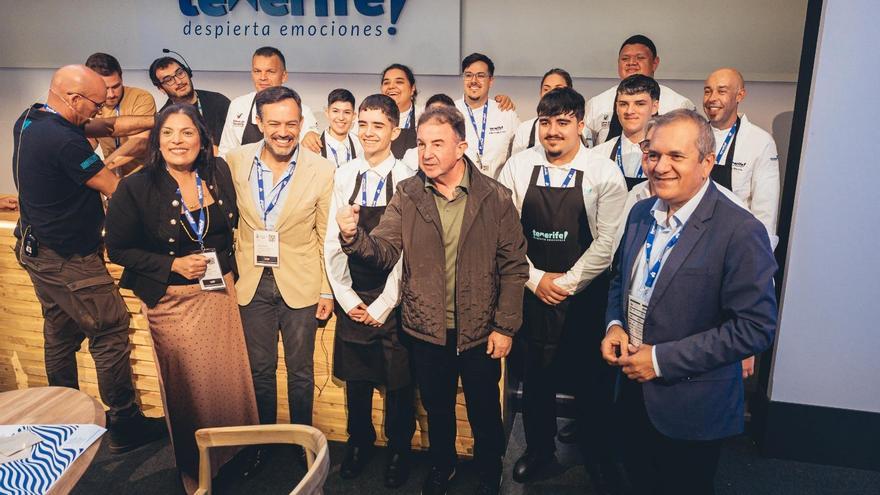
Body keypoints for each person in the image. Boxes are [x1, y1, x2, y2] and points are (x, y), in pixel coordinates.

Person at [336, 105, 529, 495]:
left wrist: (505, 326)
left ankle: (490, 467)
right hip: (426, 329)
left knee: (484, 410)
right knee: (438, 410)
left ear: (461, 147)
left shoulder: (495, 197)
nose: (426, 153)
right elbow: (386, 250)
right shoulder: (408, 194)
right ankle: (444, 465)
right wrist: (354, 238)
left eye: (437, 144)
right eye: (421, 144)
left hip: (479, 331)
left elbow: (514, 268)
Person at [601, 109, 777, 494]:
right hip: (632, 392)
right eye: (653, 155)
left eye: (676, 156)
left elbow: (754, 328)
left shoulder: (740, 231)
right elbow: (620, 279)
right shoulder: (639, 213)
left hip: (691, 406)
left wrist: (660, 360)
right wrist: (614, 324)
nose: (660, 166)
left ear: (707, 162)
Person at [105, 104, 259, 493]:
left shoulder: (217, 171)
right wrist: (172, 265)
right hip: (172, 304)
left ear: (202, 138)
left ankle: (233, 454)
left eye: (187, 132)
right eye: (169, 133)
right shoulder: (136, 187)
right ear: (157, 140)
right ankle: (198, 469)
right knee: (189, 389)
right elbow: (118, 249)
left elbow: (227, 229)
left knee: (227, 381)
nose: (178, 141)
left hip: (218, 295)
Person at [12, 65, 163, 454]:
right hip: (68, 259)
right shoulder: (64, 143)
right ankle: (125, 422)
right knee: (110, 328)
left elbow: (109, 127)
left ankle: (61, 419)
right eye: (95, 104)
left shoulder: (31, 118)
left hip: (35, 249)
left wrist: (160, 118)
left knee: (60, 333)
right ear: (73, 99)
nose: (99, 112)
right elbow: (114, 188)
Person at [499, 88, 627, 486]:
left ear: (580, 124)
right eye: (546, 122)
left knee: (592, 381)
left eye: (562, 122)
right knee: (536, 379)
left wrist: (568, 282)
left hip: (585, 295)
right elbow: (505, 235)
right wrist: (536, 279)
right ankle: (539, 451)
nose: (553, 131)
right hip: (532, 291)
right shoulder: (518, 167)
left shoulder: (604, 173)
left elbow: (608, 242)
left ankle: (597, 455)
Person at [224, 87, 335, 448]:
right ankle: (263, 445)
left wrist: (325, 289)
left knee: (301, 373)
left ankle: (301, 444)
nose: (283, 131)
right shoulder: (235, 161)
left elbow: (324, 235)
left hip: (300, 283)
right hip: (251, 283)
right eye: (273, 123)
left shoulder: (322, 169)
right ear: (259, 122)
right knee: (260, 371)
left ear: (302, 123)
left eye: (291, 123)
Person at [324, 94, 416, 488]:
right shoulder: (344, 174)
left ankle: (399, 449)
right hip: (354, 295)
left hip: (395, 298)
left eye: (378, 125)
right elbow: (333, 240)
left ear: (395, 131)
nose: (368, 132)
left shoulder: (409, 179)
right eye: (363, 124)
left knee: (399, 383)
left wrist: (383, 303)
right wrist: (347, 297)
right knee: (357, 383)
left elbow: (409, 251)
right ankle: (358, 443)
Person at [703, 67, 780, 247]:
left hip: (734, 243)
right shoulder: (692, 136)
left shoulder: (760, 142)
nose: (712, 98)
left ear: (740, 95)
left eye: (721, 91)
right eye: (708, 91)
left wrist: (757, 257)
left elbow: (765, 211)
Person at [585, 35, 695, 145]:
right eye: (625, 59)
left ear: (655, 63)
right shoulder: (596, 104)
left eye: (640, 58)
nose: (632, 62)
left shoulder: (679, 105)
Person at [218, 46, 319, 157]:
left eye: (270, 72)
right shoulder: (238, 106)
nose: (262, 77)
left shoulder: (303, 111)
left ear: (284, 76)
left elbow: (311, 152)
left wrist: (310, 135)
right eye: (257, 71)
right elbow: (226, 153)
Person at [85, 52, 157, 176]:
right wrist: (85, 165)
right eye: (105, 88)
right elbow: (90, 143)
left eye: (116, 86)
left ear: (121, 77)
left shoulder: (141, 98)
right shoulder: (88, 103)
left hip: (144, 176)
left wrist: (103, 165)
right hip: (112, 176)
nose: (111, 94)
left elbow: (139, 143)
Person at [454, 53, 520, 179]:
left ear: (491, 81)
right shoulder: (451, 111)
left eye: (480, 76)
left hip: (498, 191)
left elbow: (521, 155)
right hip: (460, 193)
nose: (474, 81)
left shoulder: (506, 113)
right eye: (468, 75)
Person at [590, 74, 660, 191]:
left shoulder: (665, 156)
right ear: (616, 108)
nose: (629, 111)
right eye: (623, 104)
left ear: (654, 107)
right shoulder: (598, 155)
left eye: (639, 104)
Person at [149, 56, 230, 152]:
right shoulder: (164, 118)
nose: (179, 81)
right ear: (161, 89)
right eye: (168, 80)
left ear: (188, 72)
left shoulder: (219, 102)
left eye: (180, 73)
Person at [511, 68, 574, 155]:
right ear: (540, 93)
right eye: (546, 89)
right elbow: (516, 163)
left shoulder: (582, 131)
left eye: (558, 89)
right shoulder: (525, 129)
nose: (551, 93)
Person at [400, 93, 456, 171]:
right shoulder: (411, 156)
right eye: (431, 114)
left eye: (441, 114)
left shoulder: (461, 153)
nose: (435, 119)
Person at [318, 88, 363, 167]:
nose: (341, 117)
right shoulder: (314, 146)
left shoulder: (361, 146)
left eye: (347, 112)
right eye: (335, 111)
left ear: (354, 116)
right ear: (327, 113)